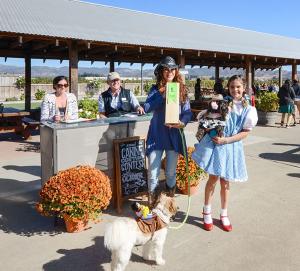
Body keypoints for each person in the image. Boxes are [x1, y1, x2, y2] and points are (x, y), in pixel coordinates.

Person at [192, 75, 258, 232]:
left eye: (238, 87)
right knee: (213, 179)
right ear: (228, 88)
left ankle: (224, 214)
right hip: (216, 144)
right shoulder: (222, 102)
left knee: (225, 183)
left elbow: (245, 133)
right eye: (232, 87)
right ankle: (206, 212)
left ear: (243, 88)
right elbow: (208, 118)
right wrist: (208, 127)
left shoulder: (248, 109)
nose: (235, 90)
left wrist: (227, 140)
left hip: (231, 146)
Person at [143, 56, 192, 204]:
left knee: (170, 173)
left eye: (172, 69)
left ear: (176, 71)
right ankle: (153, 206)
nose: (169, 72)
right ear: (161, 71)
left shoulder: (182, 89)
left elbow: (187, 112)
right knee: (153, 173)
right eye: (166, 69)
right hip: (156, 136)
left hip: (173, 137)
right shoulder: (155, 89)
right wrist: (162, 95)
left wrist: (182, 122)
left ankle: (169, 205)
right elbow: (147, 107)